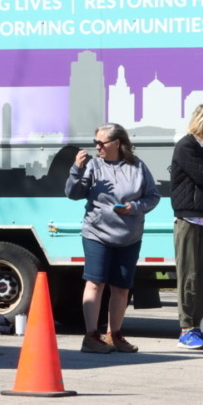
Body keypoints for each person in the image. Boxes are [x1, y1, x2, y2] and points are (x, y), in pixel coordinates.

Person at [65, 123, 159, 353]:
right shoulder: (93, 165)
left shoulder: (137, 166)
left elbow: (153, 197)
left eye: (101, 143)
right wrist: (76, 170)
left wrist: (134, 206)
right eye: (95, 142)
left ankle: (114, 334)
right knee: (95, 283)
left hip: (129, 236)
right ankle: (90, 336)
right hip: (97, 233)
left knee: (122, 288)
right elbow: (73, 194)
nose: (97, 147)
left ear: (117, 143)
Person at [170, 103, 203, 350]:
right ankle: (186, 329)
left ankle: (196, 328)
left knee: (201, 277)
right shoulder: (186, 146)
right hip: (188, 219)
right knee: (189, 276)